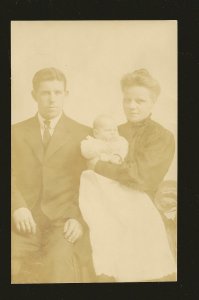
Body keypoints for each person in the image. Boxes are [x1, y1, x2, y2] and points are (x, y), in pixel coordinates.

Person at [79, 69, 177, 282]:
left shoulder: (162, 137)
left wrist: (98, 166)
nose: (132, 106)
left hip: (141, 207)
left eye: (140, 101)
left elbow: (141, 177)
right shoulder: (112, 131)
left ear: (153, 102)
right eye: (127, 100)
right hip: (103, 203)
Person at [11, 67, 95, 283]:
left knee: (58, 267)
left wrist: (78, 220)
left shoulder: (83, 133)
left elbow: (92, 185)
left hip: (63, 222)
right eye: (45, 93)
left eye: (57, 93)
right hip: (25, 219)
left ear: (66, 94)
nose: (51, 99)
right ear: (34, 95)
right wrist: (17, 206)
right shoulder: (14, 132)